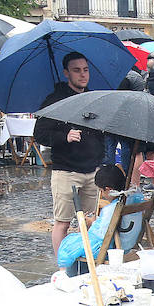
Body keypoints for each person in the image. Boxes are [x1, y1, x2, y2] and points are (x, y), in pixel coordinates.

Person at [34, 51, 107, 256]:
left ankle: (89, 261)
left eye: (85, 70)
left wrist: (102, 163)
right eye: (76, 70)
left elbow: (102, 134)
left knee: (93, 221)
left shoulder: (94, 98)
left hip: (92, 171)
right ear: (66, 73)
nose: (82, 75)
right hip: (66, 171)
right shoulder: (55, 101)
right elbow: (39, 134)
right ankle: (63, 267)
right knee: (62, 223)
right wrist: (63, 136)